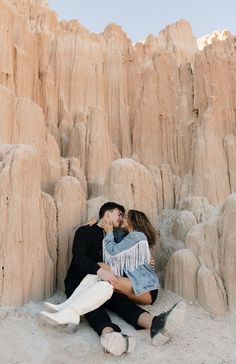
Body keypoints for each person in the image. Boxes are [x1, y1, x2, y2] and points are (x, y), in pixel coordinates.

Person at [41, 202, 186, 356]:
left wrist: (147, 260)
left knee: (121, 301)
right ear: (107, 214)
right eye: (119, 214)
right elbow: (79, 259)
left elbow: (129, 252)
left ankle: (154, 323)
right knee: (94, 306)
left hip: (106, 281)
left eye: (123, 215)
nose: (121, 218)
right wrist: (99, 271)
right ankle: (109, 335)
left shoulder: (117, 236)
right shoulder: (85, 231)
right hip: (79, 282)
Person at [101, 209, 160, 305]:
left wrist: (109, 232)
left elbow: (112, 251)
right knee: (105, 275)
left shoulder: (136, 236)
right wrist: (97, 221)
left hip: (146, 289)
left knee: (107, 279)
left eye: (124, 217)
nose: (121, 219)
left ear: (131, 221)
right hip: (141, 286)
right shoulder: (131, 237)